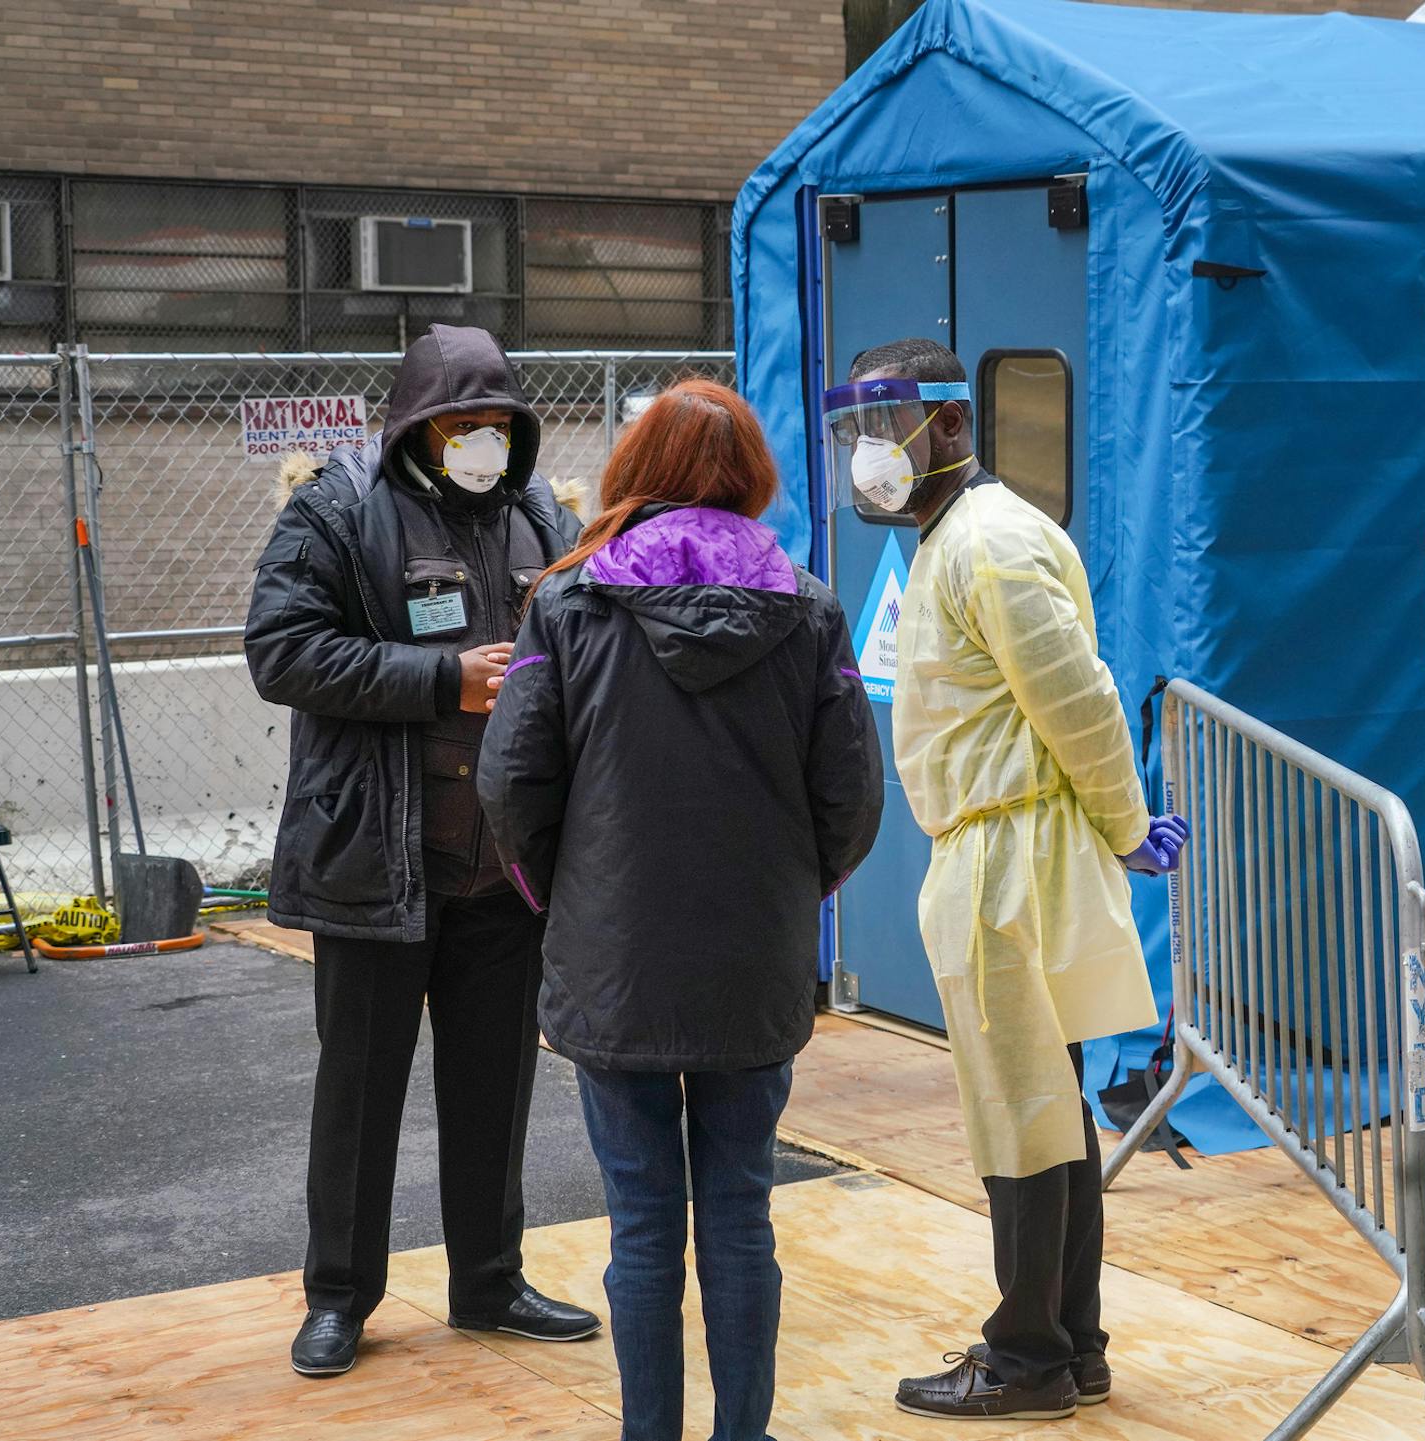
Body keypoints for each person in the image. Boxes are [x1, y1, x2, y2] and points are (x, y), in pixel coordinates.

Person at [478, 379, 883, 1441]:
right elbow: (851, 797)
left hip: (615, 965)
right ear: (750, 474)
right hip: (755, 962)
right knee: (741, 1213)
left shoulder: (566, 605)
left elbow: (510, 786)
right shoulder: (809, 605)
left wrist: (569, 896)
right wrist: (796, 893)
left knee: (643, 1226)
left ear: (633, 472)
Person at [821, 339, 1188, 1422]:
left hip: (1010, 862)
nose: (870, 454)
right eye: (856, 433)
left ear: (949, 424)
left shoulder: (986, 542)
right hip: (1005, 850)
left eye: (887, 428)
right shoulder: (957, 538)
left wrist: (1124, 825)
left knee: (1020, 1109)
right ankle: (1072, 1346)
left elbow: (1079, 697)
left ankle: (1027, 1356)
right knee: (1050, 1107)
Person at [245, 324, 600, 1377]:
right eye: (461, 424)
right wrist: (443, 679)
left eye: (498, 424)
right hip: (377, 858)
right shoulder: (338, 507)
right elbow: (282, 648)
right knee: (361, 1086)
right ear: (414, 423)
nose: (481, 441)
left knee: (494, 1084)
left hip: (503, 867)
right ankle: (341, 1296)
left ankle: (488, 1281)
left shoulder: (542, 513)